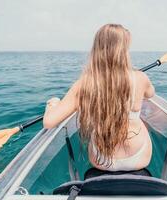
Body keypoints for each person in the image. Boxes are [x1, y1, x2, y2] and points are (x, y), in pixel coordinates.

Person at [43, 24, 155, 171]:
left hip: (101, 159)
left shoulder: (84, 84)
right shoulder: (140, 78)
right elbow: (150, 94)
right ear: (123, 51)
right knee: (140, 121)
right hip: (139, 156)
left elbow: (49, 122)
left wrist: (52, 105)